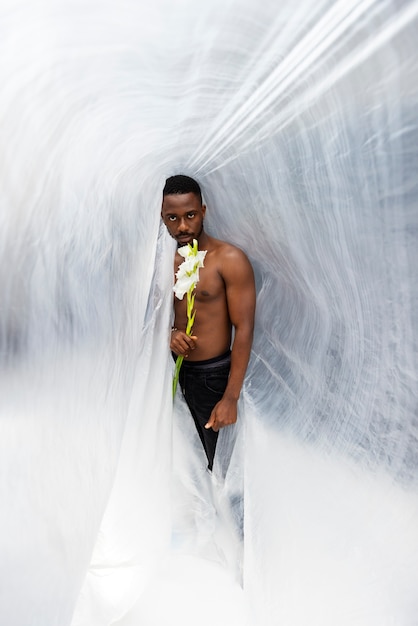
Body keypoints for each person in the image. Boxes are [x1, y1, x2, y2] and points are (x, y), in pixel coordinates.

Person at [161, 174, 256, 471]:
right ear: (162, 219)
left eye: (190, 215)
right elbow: (144, 318)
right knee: (181, 465)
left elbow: (244, 329)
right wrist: (169, 333)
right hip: (169, 375)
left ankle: (230, 517)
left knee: (220, 465)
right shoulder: (161, 263)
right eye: (172, 218)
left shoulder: (229, 259)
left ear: (204, 210)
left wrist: (230, 397)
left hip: (213, 378)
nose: (183, 226)